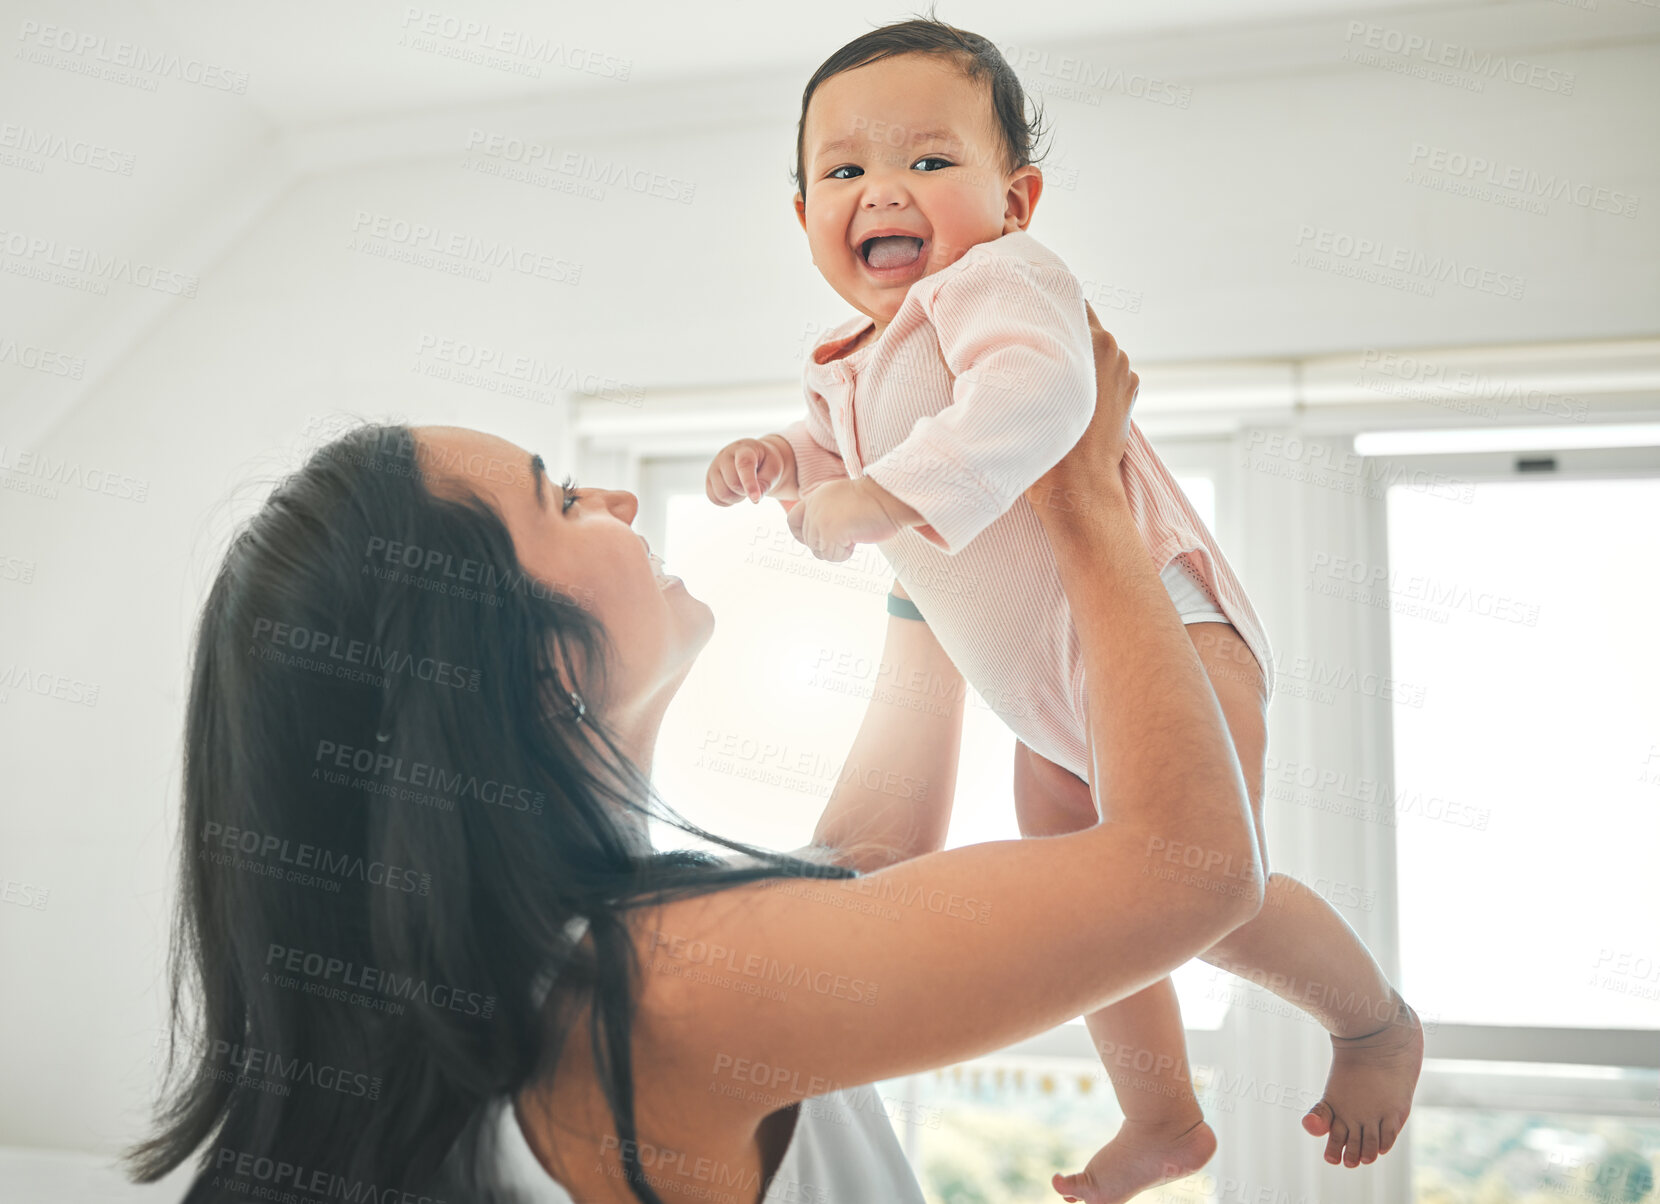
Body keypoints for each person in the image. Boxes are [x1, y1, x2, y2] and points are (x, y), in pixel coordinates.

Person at [131, 322, 1263, 1203]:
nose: (615, 498)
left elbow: (856, 871)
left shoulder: (558, 970)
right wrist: (1078, 492)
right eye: (561, 500)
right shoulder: (655, 985)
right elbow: (1194, 869)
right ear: (510, 661)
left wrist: (932, 533)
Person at [705, 18, 1421, 1202]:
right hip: (1037, 687)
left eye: (930, 161)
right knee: (1093, 899)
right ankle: (1164, 1118)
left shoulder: (1003, 283)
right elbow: (834, 444)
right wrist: (779, 461)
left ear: (1016, 197)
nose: (885, 187)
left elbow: (1039, 402)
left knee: (1201, 881)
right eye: (844, 170)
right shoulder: (844, 361)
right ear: (801, 217)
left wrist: (878, 494)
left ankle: (1370, 1022)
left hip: (1163, 620)